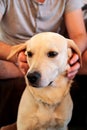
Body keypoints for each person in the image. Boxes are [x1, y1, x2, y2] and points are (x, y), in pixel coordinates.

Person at [0, 0, 87, 128]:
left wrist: (72, 57)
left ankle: (50, 65)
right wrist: (18, 57)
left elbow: (79, 34)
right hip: (14, 53)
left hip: (58, 52)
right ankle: (34, 70)